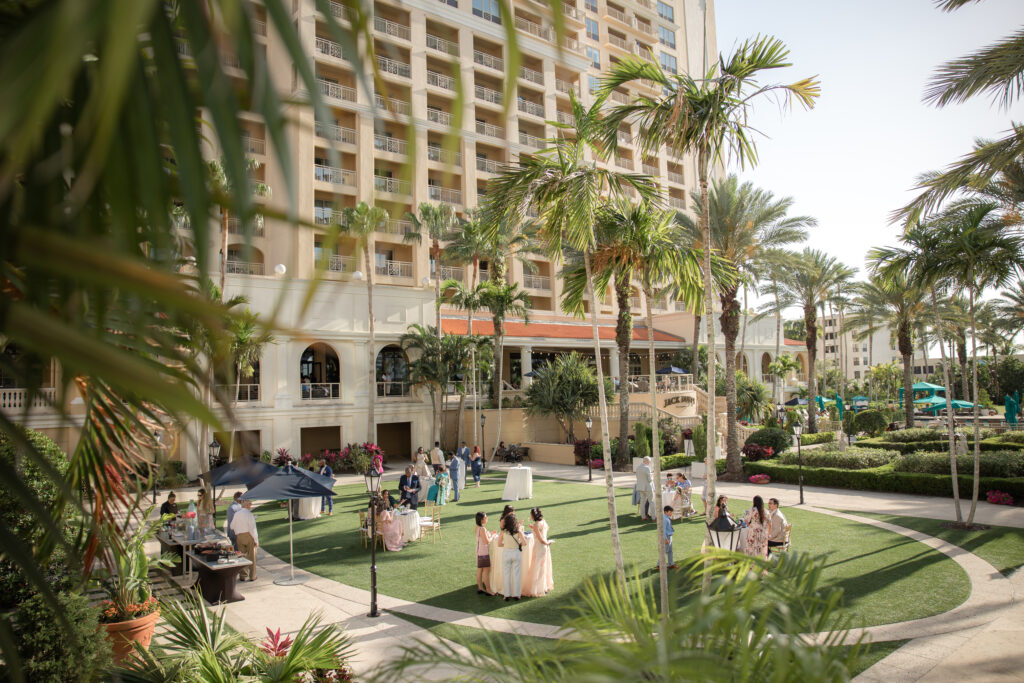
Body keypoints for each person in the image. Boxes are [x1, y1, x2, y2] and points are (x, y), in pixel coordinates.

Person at [497, 512, 527, 601]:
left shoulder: (503, 531)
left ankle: (506, 595)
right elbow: (524, 543)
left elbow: (499, 544)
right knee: (516, 575)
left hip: (506, 553)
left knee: (506, 575)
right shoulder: (518, 531)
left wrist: (506, 545)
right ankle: (517, 595)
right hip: (516, 553)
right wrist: (518, 544)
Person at [230, 499, 259, 581]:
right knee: (252, 556)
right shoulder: (249, 514)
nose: (250, 505)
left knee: (242, 556)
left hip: (239, 536)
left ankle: (243, 575)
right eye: (250, 504)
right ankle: (252, 576)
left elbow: (232, 526)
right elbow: (252, 529)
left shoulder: (236, 514)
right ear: (247, 505)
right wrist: (256, 540)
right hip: (248, 535)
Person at [529, 508, 553, 596]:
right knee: (544, 566)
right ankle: (544, 586)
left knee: (538, 567)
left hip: (539, 547)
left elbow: (540, 539)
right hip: (545, 548)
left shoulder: (536, 525)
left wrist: (547, 542)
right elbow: (546, 529)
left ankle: (539, 588)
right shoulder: (543, 521)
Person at [475, 511, 496, 595]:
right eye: (486, 518)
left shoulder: (477, 527)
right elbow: (487, 541)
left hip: (479, 551)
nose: (487, 519)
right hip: (483, 553)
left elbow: (483, 538)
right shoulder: (482, 529)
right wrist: (493, 536)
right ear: (481, 520)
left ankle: (480, 587)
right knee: (486, 571)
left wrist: (490, 534)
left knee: (480, 570)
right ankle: (488, 590)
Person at [635, 456, 654, 520]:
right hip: (647, 487)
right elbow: (650, 480)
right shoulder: (647, 468)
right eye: (649, 462)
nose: (649, 463)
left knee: (642, 502)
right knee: (651, 501)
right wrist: (652, 475)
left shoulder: (637, 468)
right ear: (647, 461)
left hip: (640, 487)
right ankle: (653, 517)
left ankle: (643, 517)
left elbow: (638, 478)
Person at [660, 505, 677, 570]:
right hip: (667, 537)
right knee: (664, 552)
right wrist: (665, 538)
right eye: (670, 512)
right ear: (665, 512)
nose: (671, 513)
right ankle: (660, 565)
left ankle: (671, 563)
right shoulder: (665, 519)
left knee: (670, 551)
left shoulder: (666, 518)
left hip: (670, 536)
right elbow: (663, 530)